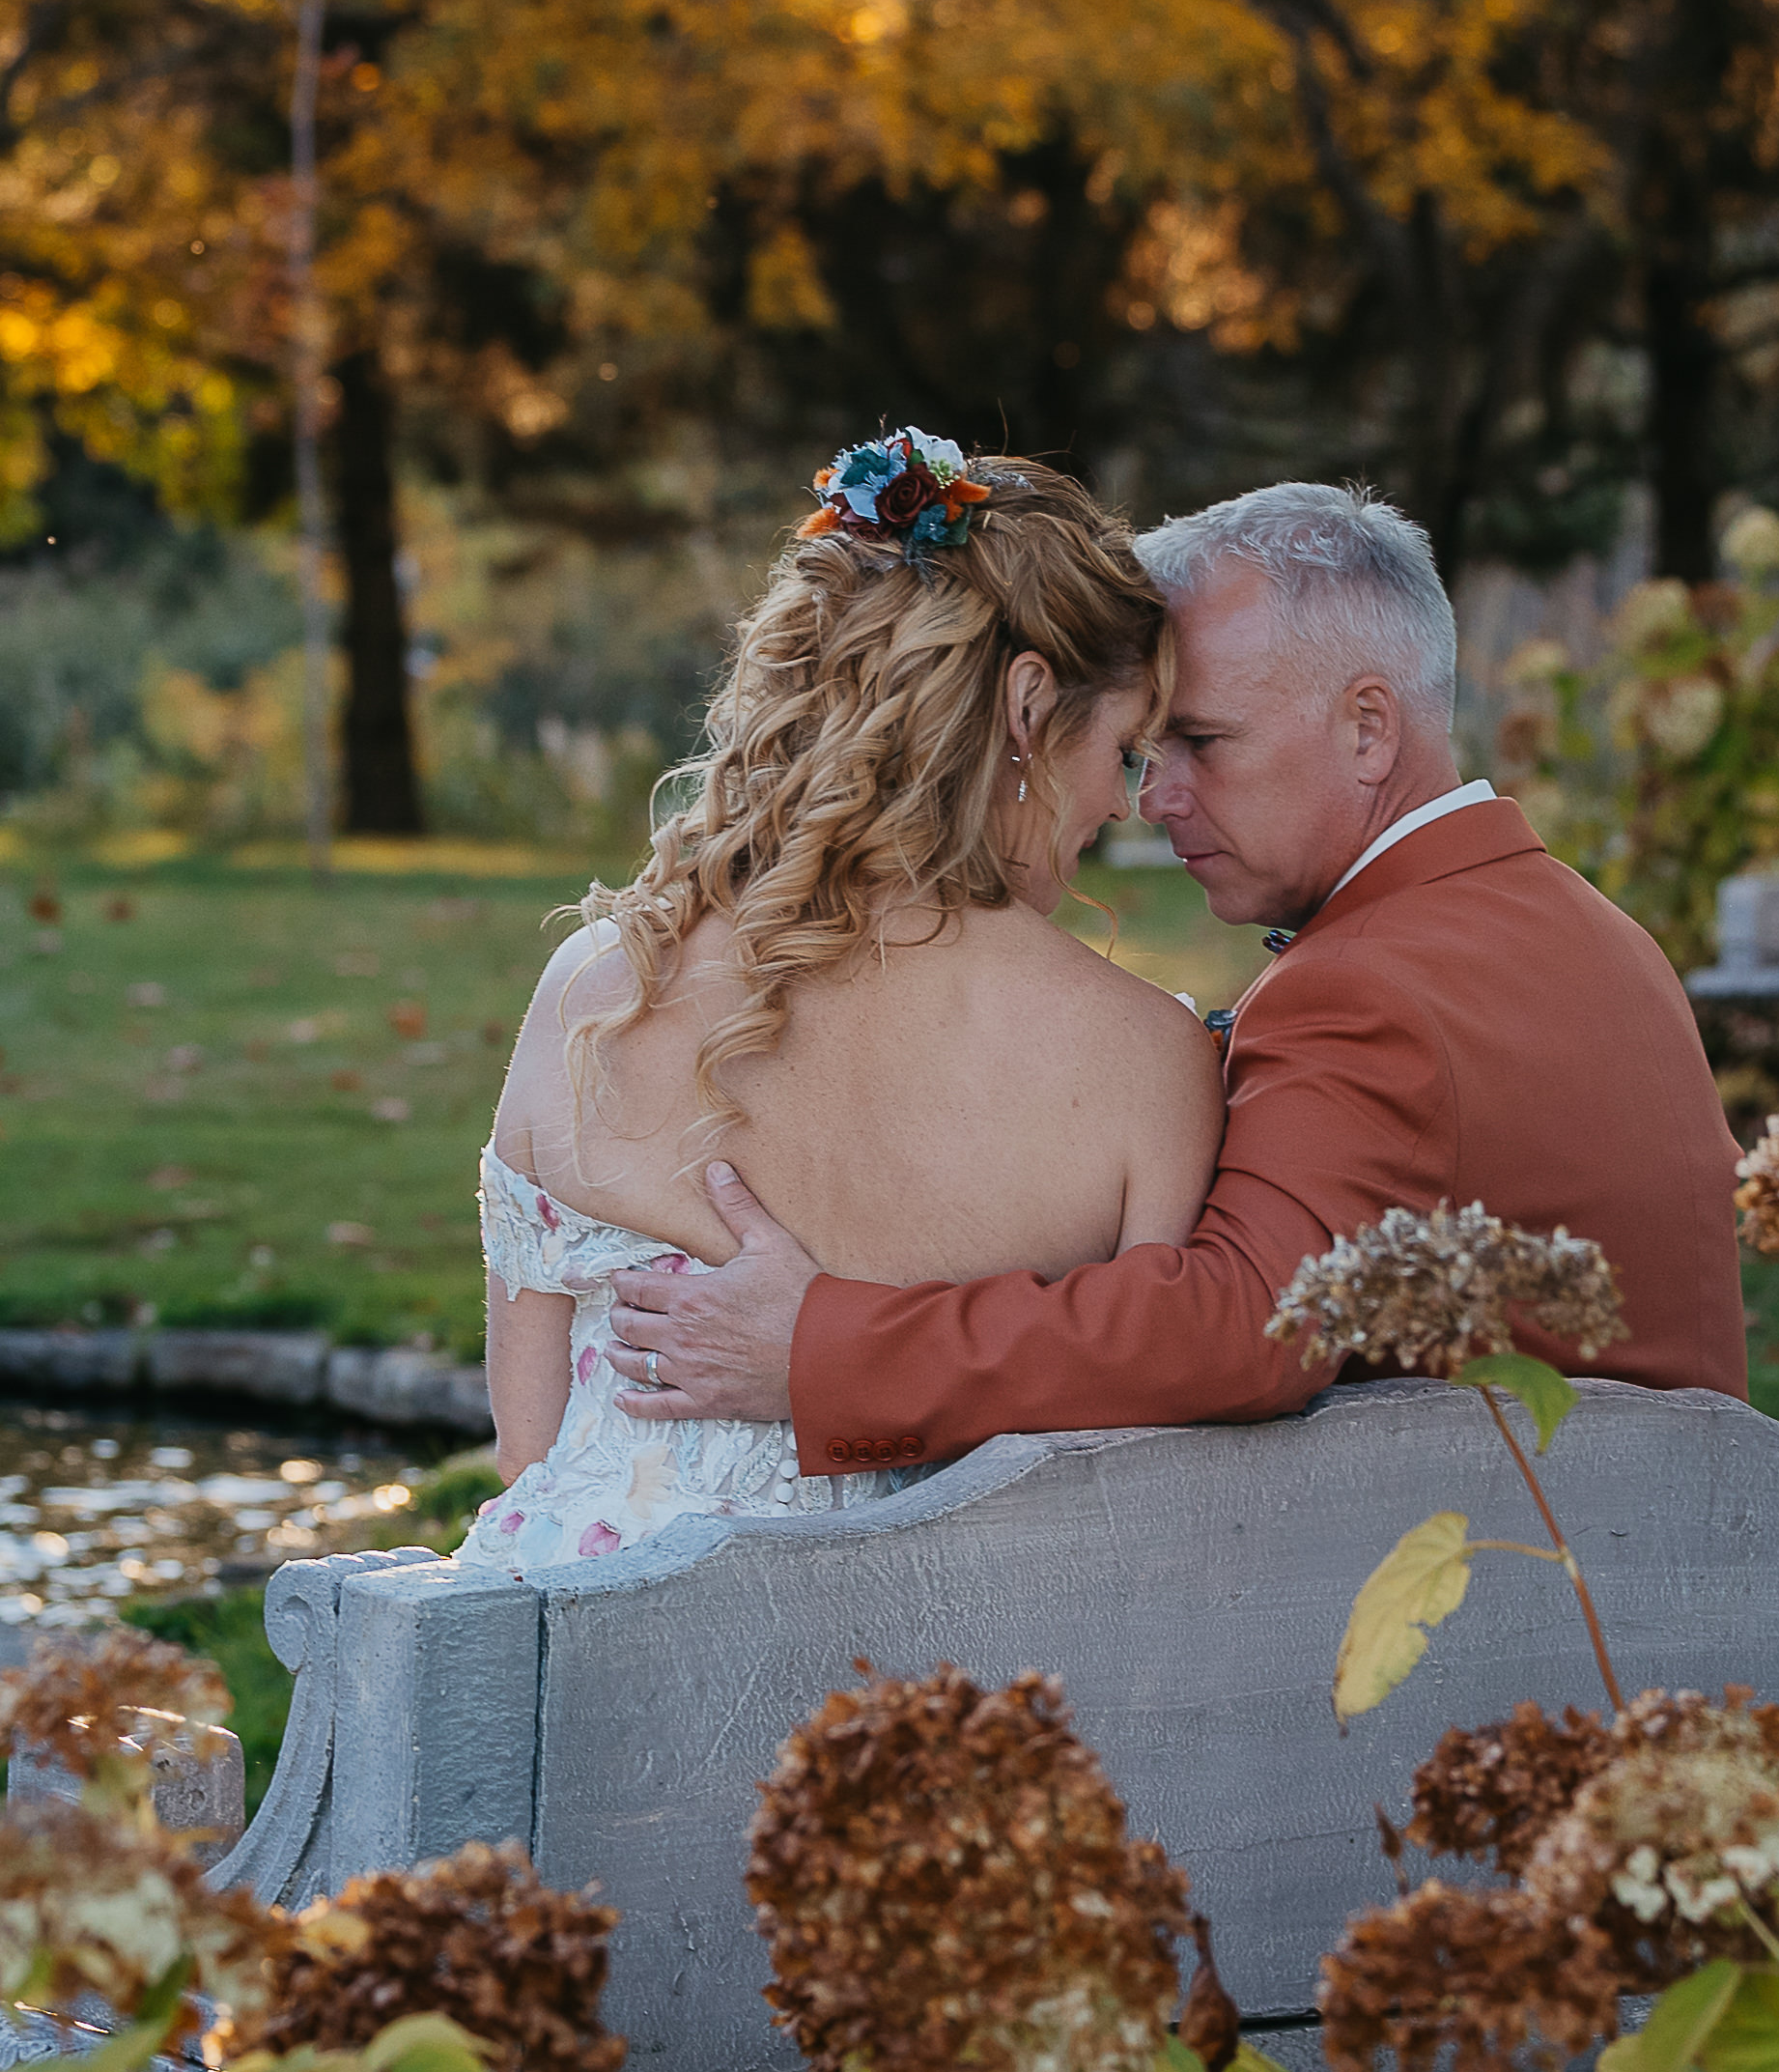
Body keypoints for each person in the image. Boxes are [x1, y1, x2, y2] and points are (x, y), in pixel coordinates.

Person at [606, 478, 1746, 1469]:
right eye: (1147, 751)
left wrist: (822, 1343)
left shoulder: (1368, 987)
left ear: (1368, 729)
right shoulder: (1586, 927)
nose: (1155, 799)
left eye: (1202, 742)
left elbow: (1240, 1324)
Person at [456, 428, 1217, 1568]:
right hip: (940, 1693)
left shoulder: (600, 989)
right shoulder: (1146, 1063)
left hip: (557, 1659)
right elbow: (1142, 1452)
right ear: (1025, 706)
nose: (1127, 804)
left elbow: (528, 1446)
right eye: (1124, 751)